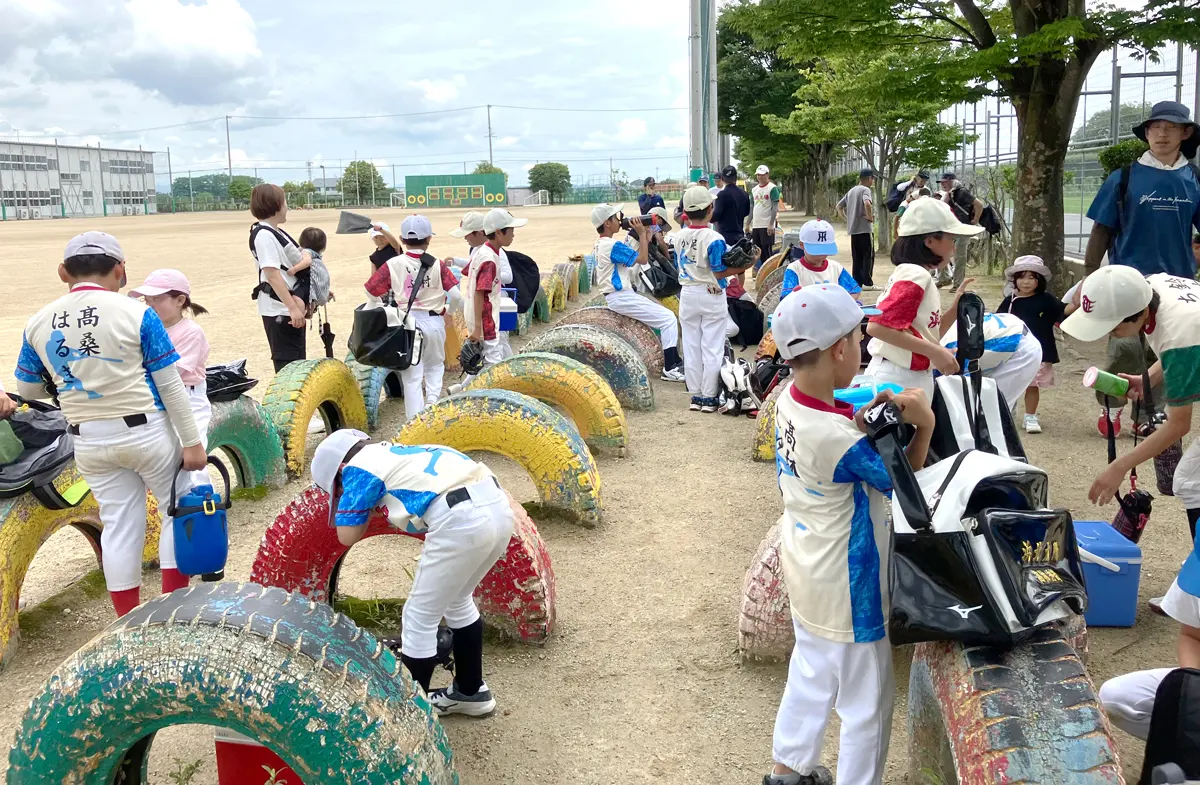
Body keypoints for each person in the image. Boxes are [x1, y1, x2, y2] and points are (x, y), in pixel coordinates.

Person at [766, 283, 935, 785]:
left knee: (812, 673)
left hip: (807, 566)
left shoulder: (790, 403)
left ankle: (787, 770)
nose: (862, 349)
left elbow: (838, 426)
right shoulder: (839, 439)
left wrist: (865, 416)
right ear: (840, 349)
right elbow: (907, 485)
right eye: (860, 340)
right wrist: (922, 423)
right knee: (868, 702)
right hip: (850, 584)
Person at [14, 232, 207, 617]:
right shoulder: (138, 314)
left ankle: (127, 622)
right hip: (147, 430)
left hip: (87, 439)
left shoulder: (37, 322)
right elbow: (170, 384)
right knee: (174, 512)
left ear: (62, 272)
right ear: (120, 270)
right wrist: (192, 442)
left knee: (119, 527)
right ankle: (171, 611)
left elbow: (27, 387)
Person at [1063, 264, 1200, 718]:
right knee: (1191, 482)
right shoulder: (1153, 287)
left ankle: (1195, 590)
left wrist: (1118, 467)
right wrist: (1148, 380)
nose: (1111, 334)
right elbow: (1173, 352)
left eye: (1113, 325)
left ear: (1138, 314)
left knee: (1191, 481)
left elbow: (1178, 424)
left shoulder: (1180, 331)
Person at [311, 429, 514, 716]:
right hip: (498, 507)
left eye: (338, 489)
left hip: (460, 518)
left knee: (419, 616)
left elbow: (347, 535)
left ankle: (408, 716)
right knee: (458, 599)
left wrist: (360, 504)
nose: (342, 495)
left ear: (340, 470)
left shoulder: (357, 468)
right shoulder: (396, 453)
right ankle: (471, 691)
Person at [1084, 102, 1200, 436]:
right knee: (1123, 350)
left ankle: (1149, 413)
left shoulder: (1193, 179)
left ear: (1186, 133)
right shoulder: (1125, 177)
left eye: (1171, 127)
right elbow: (1102, 231)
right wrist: (1091, 277)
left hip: (1178, 286)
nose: (1162, 134)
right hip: (1127, 283)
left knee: (1164, 353)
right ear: (1146, 133)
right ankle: (1112, 408)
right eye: (1155, 127)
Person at [865, 198, 983, 399]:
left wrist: (955, 309)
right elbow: (878, 327)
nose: (953, 247)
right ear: (930, 241)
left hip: (906, 376)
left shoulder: (914, 274)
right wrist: (936, 353)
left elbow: (926, 334)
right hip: (898, 378)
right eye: (951, 239)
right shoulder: (915, 275)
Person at [364, 215, 459, 420]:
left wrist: (385, 307)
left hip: (407, 324)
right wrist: (449, 314)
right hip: (434, 320)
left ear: (402, 238)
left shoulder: (393, 264)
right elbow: (458, 296)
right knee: (435, 366)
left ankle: (413, 422)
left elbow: (371, 291)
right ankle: (432, 404)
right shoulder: (437, 265)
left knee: (412, 375)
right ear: (429, 239)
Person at [128, 269, 212, 490]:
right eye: (148, 300)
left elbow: (174, 372)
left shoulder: (191, 332)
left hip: (188, 397)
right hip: (155, 400)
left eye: (157, 299)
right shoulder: (144, 330)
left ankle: (202, 503)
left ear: (180, 300)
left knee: (192, 458)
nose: (151, 305)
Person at [675, 185, 755, 412]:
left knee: (691, 346)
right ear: (710, 209)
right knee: (712, 346)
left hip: (688, 294)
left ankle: (695, 395)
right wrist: (748, 264)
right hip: (711, 293)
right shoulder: (714, 238)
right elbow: (719, 271)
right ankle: (709, 398)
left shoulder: (679, 236)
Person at [591, 203, 686, 381]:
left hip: (619, 295)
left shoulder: (600, 244)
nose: (619, 220)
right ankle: (671, 367)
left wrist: (645, 236)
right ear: (607, 223)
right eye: (615, 218)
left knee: (665, 318)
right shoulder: (612, 245)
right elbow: (642, 259)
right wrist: (642, 234)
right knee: (668, 319)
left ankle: (674, 363)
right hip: (620, 296)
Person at [997, 256, 1076, 434]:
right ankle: (1006, 413)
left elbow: (1063, 311)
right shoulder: (1010, 301)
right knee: (1010, 382)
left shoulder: (1046, 299)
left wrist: (1078, 302)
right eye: (1022, 277)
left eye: (1031, 277)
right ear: (1014, 280)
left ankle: (1030, 416)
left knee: (1033, 385)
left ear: (1039, 281)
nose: (1026, 282)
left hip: (1037, 351)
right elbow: (999, 321)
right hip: (1013, 351)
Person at [454, 208, 526, 390]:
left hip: (480, 317)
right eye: (510, 231)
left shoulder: (481, 252)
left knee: (486, 361)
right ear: (499, 232)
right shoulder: (490, 259)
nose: (513, 235)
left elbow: (467, 271)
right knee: (492, 364)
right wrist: (478, 328)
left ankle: (462, 391)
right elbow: (480, 292)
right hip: (486, 320)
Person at [249, 184, 308, 373]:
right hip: (280, 311)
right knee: (288, 370)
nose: (287, 207)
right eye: (284, 203)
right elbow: (272, 274)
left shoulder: (275, 232)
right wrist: (292, 308)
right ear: (275, 205)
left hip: (288, 309)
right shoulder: (264, 235)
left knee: (297, 364)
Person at [941, 311, 1043, 415]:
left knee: (992, 411)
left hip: (1021, 349)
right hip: (1009, 331)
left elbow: (961, 388)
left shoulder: (950, 351)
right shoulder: (940, 333)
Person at [780, 219, 861, 302]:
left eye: (824, 250)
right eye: (816, 251)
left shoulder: (836, 268)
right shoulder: (794, 269)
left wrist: (845, 304)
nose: (820, 256)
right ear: (802, 245)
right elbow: (786, 298)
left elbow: (854, 291)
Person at [936, 173, 984, 288]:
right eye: (941, 182)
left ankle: (958, 284)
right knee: (941, 251)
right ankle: (944, 278)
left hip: (962, 228)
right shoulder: (949, 194)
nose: (942, 184)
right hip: (951, 228)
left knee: (959, 255)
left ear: (952, 181)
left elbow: (979, 205)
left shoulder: (962, 192)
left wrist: (975, 220)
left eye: (945, 182)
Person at [837, 168, 878, 290]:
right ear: (869, 178)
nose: (873, 181)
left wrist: (847, 219)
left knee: (857, 257)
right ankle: (868, 283)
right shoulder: (865, 190)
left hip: (853, 230)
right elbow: (867, 203)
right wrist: (870, 217)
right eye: (873, 179)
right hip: (865, 229)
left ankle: (857, 283)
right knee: (867, 256)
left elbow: (838, 206)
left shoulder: (851, 191)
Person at [751, 165, 783, 266]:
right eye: (758, 175)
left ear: (767, 175)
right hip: (756, 224)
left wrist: (771, 224)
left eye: (762, 175)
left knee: (767, 251)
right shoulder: (754, 189)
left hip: (766, 225)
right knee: (757, 250)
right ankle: (758, 271)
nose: (760, 177)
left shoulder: (772, 188)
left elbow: (774, 207)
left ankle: (768, 273)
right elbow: (752, 207)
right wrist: (748, 223)